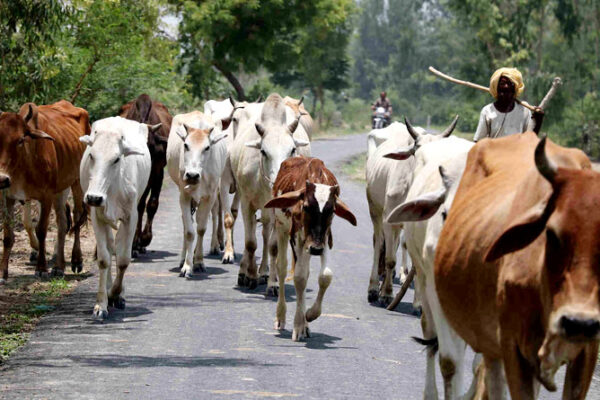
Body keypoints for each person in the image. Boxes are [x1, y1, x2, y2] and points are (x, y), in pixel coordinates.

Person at [473, 67, 544, 142]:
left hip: (517, 149)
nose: (506, 86)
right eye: (502, 84)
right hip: (495, 149)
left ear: (515, 88)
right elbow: (479, 141)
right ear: (496, 87)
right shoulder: (487, 111)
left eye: (510, 84)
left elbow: (530, 140)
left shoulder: (524, 111)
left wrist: (538, 120)